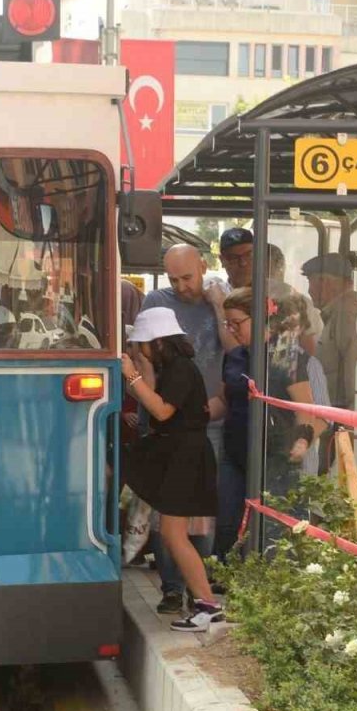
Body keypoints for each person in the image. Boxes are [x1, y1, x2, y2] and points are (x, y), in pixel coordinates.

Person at [120, 307, 222, 632]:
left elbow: (161, 411)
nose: (139, 351)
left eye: (142, 345)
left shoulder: (181, 369)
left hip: (185, 457)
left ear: (158, 342)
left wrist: (131, 376)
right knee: (172, 535)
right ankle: (206, 603)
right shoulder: (173, 368)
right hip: (182, 455)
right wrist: (142, 369)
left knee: (175, 535)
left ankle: (207, 605)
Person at [208, 288, 326, 559]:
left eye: (237, 323)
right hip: (235, 454)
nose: (231, 330)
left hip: (273, 457)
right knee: (228, 522)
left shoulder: (287, 357)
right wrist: (190, 414)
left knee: (271, 529)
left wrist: (301, 441)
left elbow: (305, 410)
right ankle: (231, 582)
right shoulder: (235, 356)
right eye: (227, 323)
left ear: (261, 319)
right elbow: (223, 401)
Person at [140, 245, 224, 613]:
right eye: (173, 278)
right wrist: (149, 399)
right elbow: (146, 359)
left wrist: (220, 306)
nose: (181, 286)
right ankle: (175, 587)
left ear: (204, 267)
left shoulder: (218, 300)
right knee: (168, 516)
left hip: (205, 420)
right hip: (170, 420)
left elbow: (237, 349)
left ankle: (200, 592)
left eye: (187, 277)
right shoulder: (157, 300)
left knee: (199, 515)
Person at [301, 253, 357, 412]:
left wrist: (351, 427)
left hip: (344, 419)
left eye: (310, 281)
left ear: (325, 283)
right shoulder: (339, 313)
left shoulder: (347, 314)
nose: (309, 290)